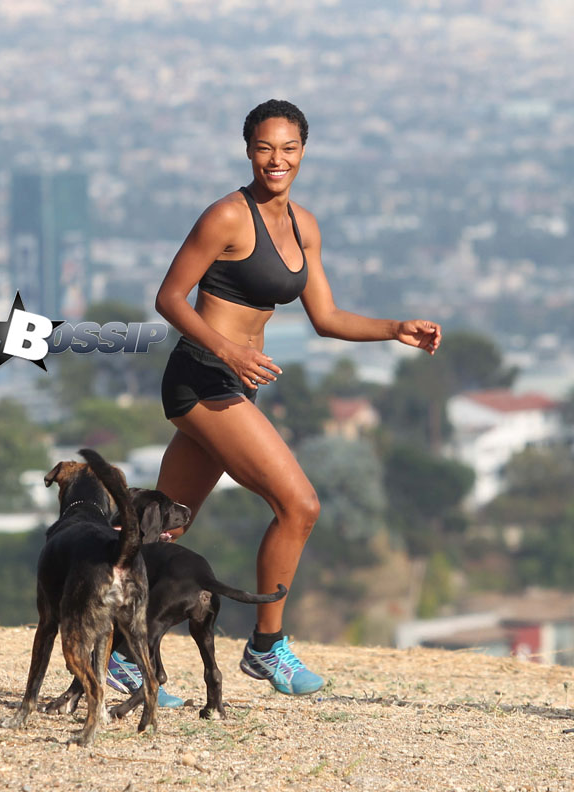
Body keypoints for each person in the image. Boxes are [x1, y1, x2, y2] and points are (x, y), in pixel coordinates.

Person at [108, 99, 442, 700]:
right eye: (264, 147)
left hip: (238, 384)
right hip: (203, 376)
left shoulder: (304, 226)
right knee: (300, 505)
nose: (276, 159)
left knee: (162, 527)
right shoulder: (226, 216)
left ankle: (120, 655)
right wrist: (229, 351)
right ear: (248, 151)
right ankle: (266, 645)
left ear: (304, 152)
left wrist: (394, 328)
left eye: (288, 148)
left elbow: (327, 317)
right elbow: (169, 298)